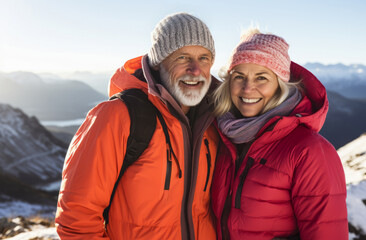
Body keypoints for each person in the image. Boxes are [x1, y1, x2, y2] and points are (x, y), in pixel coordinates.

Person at [55, 13, 220, 240]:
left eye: (204, 58)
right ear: (158, 63)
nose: (195, 69)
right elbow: (77, 219)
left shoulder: (215, 121)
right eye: (182, 57)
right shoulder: (116, 116)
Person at [211, 28, 348, 240]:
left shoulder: (309, 151)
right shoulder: (223, 136)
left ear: (281, 85)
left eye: (261, 78)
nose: (247, 88)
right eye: (239, 77)